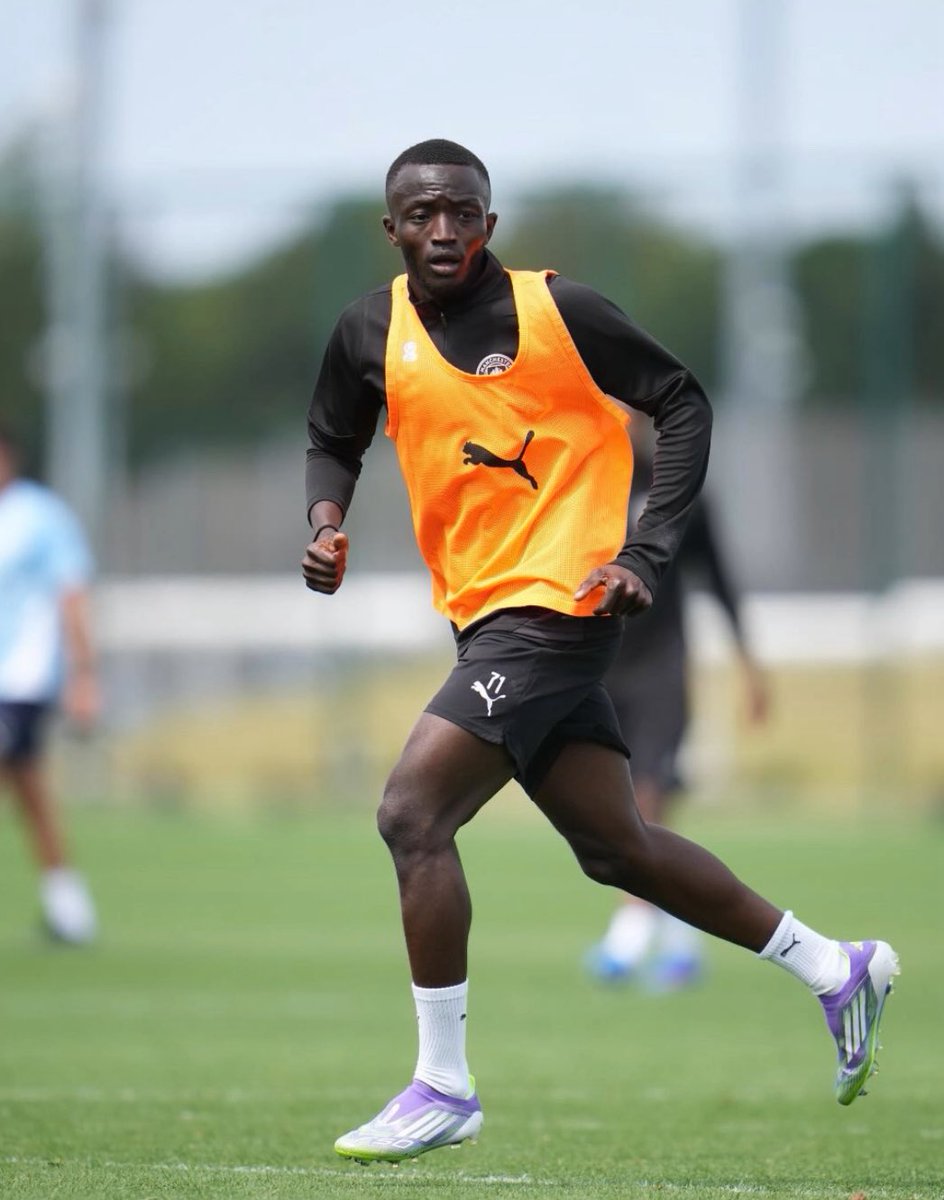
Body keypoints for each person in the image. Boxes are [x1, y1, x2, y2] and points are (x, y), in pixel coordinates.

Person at [302, 139, 898, 1164]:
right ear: (390, 226)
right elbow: (331, 431)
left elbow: (683, 401)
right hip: (484, 611)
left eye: (462, 213)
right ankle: (834, 968)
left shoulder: (557, 312)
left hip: (558, 606)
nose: (442, 230)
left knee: (410, 813)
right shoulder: (368, 329)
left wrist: (645, 551)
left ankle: (441, 1084)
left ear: (490, 223)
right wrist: (322, 521)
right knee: (615, 849)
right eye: (421, 214)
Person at [587, 440, 770, 990]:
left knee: (651, 793)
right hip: (596, 666)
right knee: (613, 808)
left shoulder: (678, 490)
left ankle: (628, 933)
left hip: (662, 668)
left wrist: (749, 665)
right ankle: (681, 939)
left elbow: (719, 578)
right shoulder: (582, 481)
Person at [0, 420, 99, 945]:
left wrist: (83, 676)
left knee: (23, 788)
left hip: (21, 680)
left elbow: (71, 595)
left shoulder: (39, 517)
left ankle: (70, 908)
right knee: (30, 792)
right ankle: (70, 908)